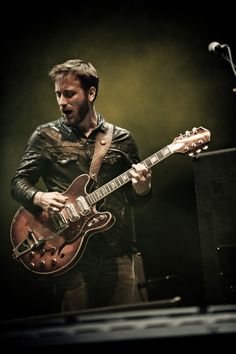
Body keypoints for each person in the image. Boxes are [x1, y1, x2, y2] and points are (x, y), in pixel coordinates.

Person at [11, 59, 152, 313]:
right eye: (58, 94)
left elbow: (137, 201)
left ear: (91, 93)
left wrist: (142, 188)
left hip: (116, 252)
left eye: (69, 94)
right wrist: (39, 197)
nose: (62, 102)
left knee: (125, 328)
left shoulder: (122, 139)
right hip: (67, 251)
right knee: (77, 332)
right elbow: (17, 183)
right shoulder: (45, 136)